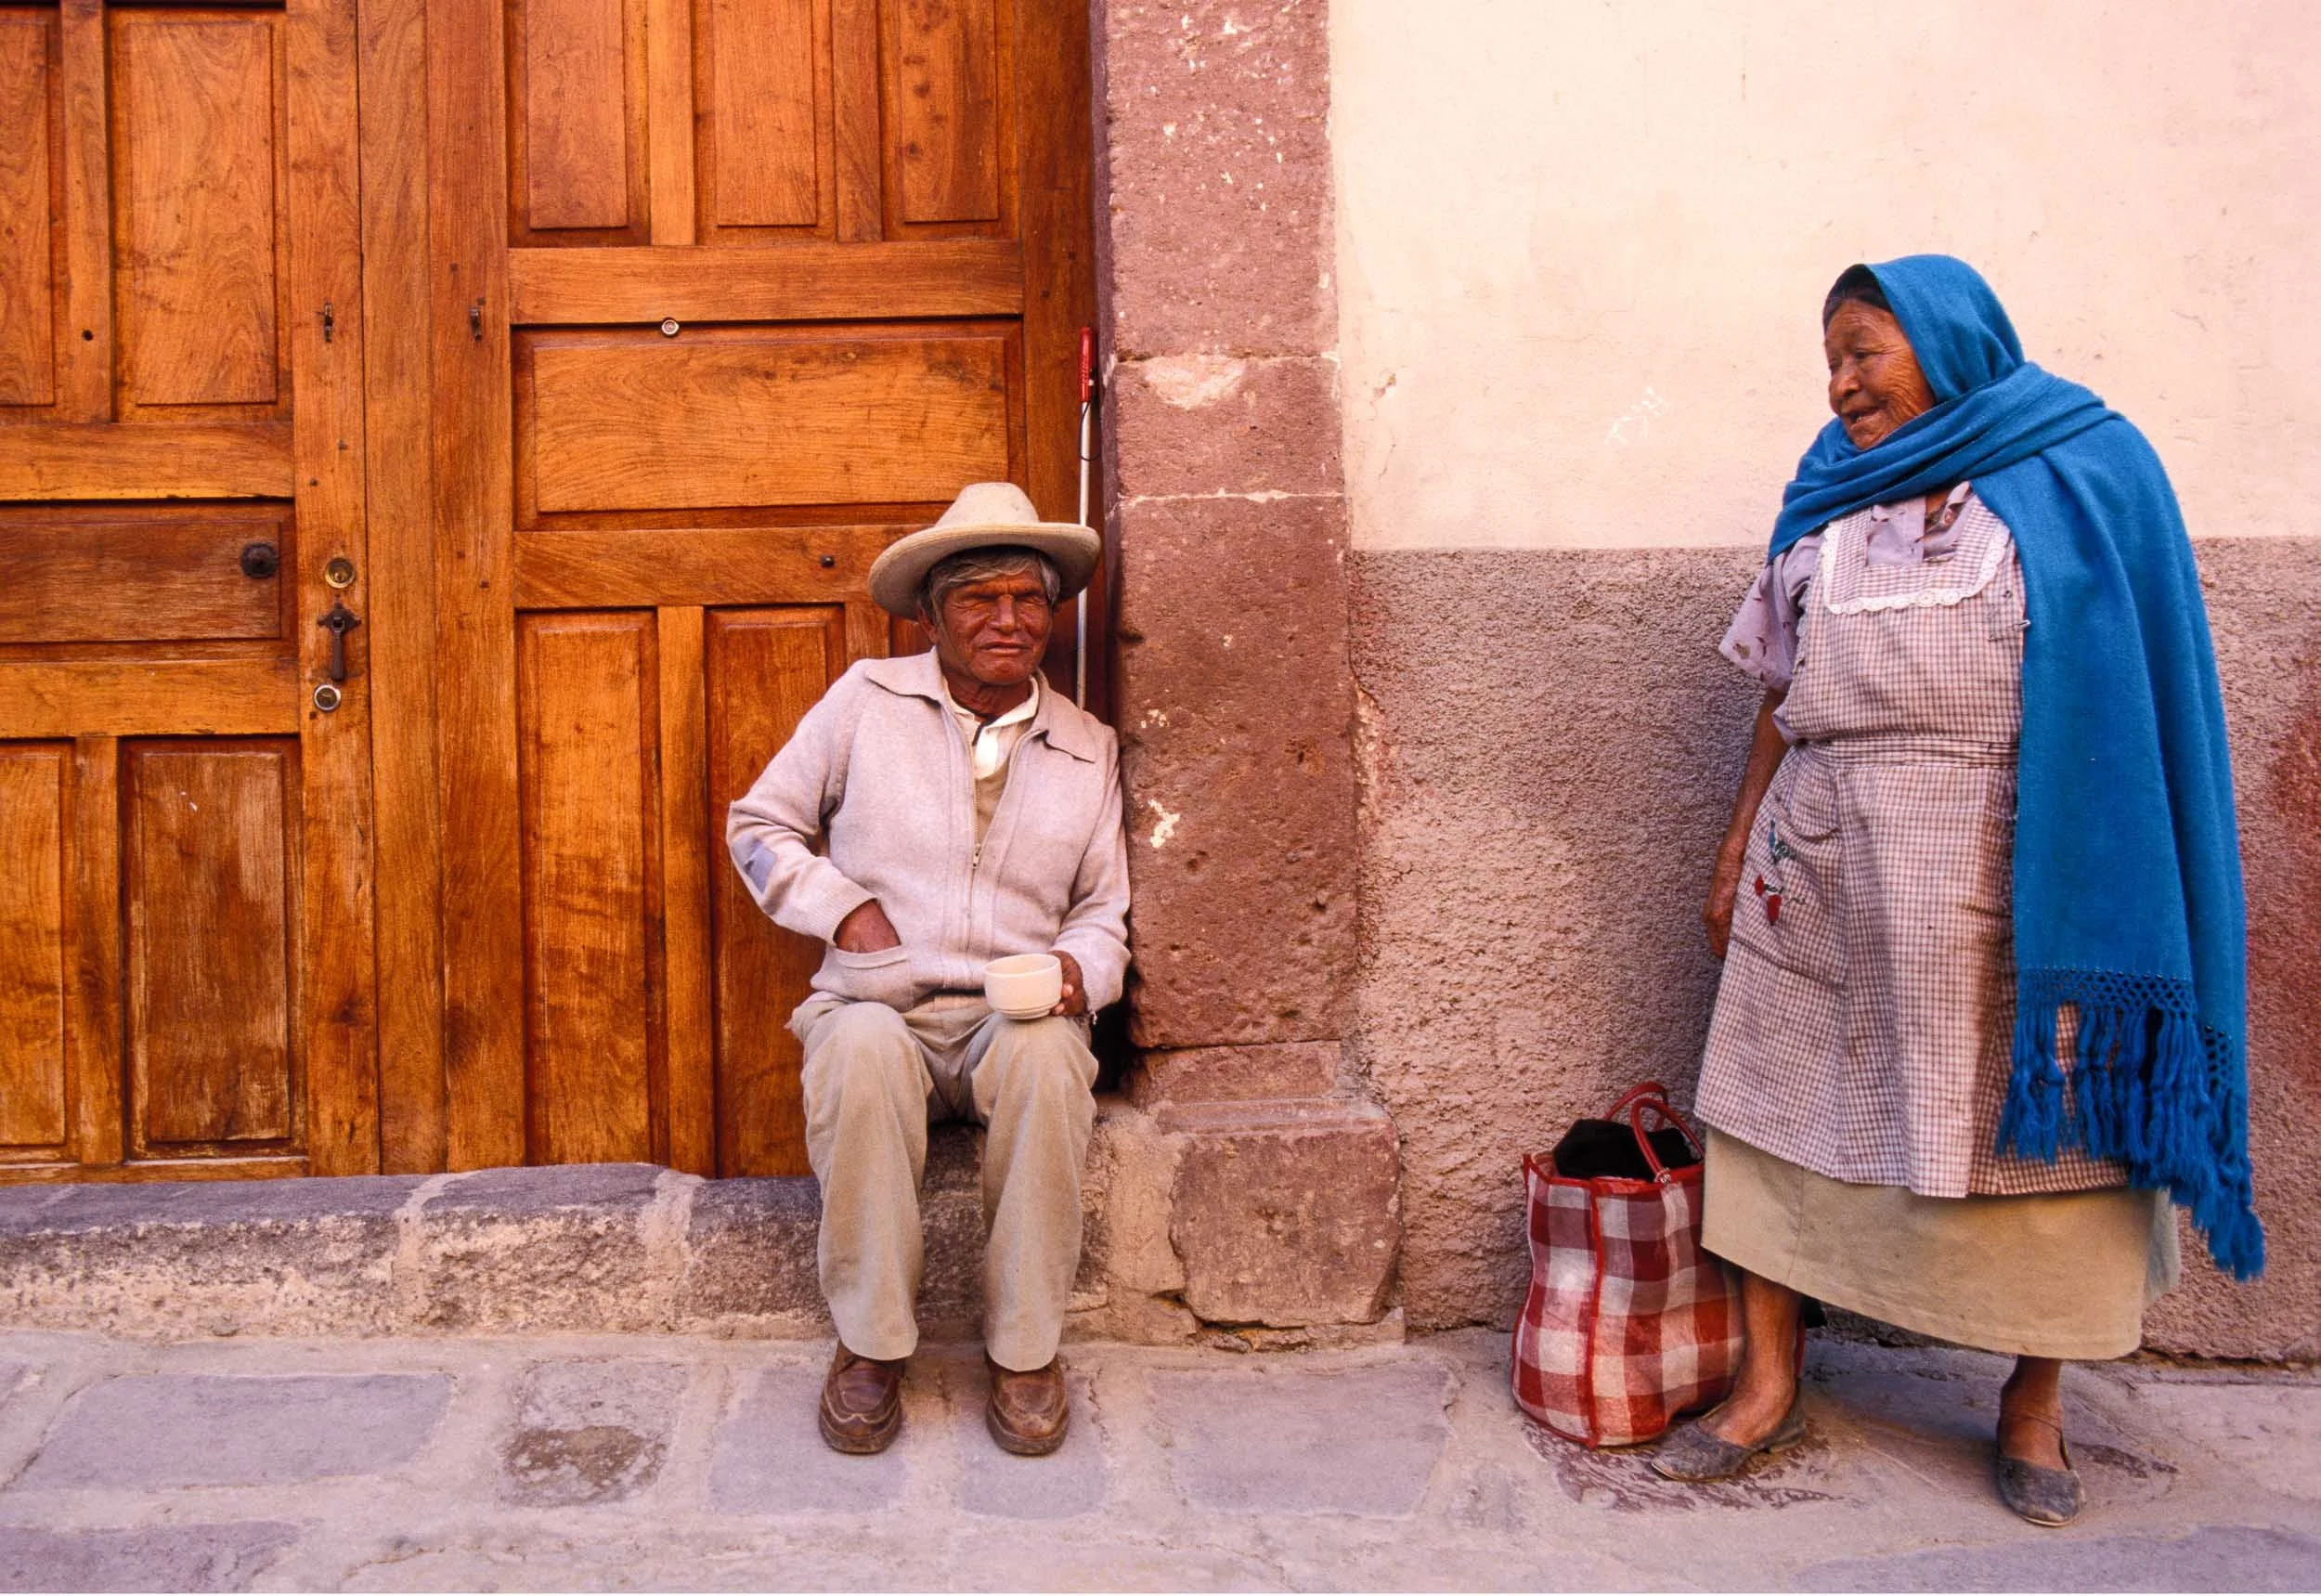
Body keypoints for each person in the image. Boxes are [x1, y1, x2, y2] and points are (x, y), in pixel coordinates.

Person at [1661, 256, 2263, 1525]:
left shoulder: (2090, 471)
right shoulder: (1825, 498)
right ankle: (1770, 1381)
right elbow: (1782, 687)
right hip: (1821, 858)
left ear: (1947, 342)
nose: (1840, 383)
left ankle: (2032, 1404)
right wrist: (1735, 840)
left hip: (2017, 871)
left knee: (2046, 1132)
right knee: (1777, 1109)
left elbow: (2146, 681)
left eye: (1864, 350)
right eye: (1829, 357)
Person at [727, 481, 1128, 1459]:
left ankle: (1027, 1352)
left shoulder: (1086, 746)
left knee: (1045, 1061)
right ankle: (870, 1347)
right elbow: (760, 824)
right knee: (858, 1049)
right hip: (881, 1003)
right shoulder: (866, 700)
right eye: (978, 599)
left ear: (1050, 613)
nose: (1006, 620)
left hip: (1010, 1017)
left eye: (1027, 600)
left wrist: (1079, 973)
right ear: (932, 614)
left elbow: (1103, 910)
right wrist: (843, 908)